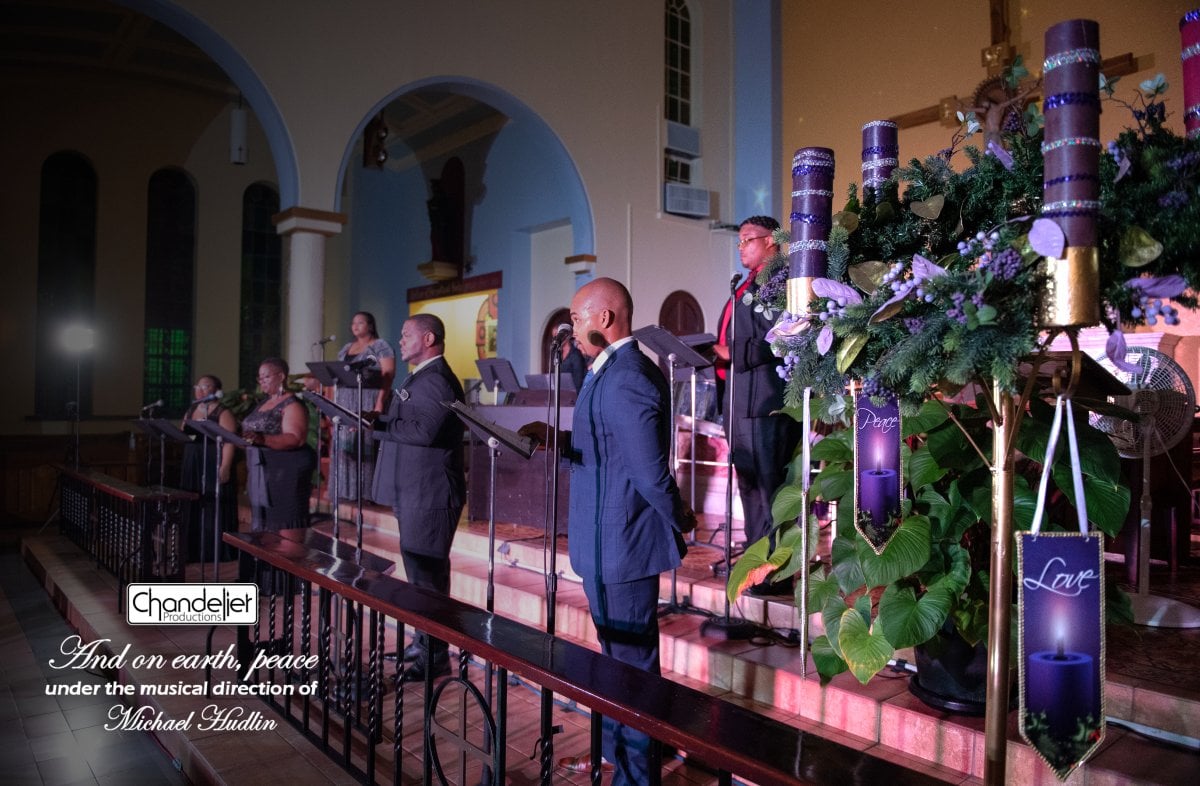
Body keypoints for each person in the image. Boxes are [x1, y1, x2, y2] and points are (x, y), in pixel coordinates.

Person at [522, 278, 695, 784]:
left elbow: (648, 472)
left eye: (577, 318)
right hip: (603, 541)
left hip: (624, 543)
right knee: (616, 663)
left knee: (633, 669)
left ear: (605, 318)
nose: (571, 327)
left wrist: (680, 518)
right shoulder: (608, 370)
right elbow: (605, 445)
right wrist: (555, 438)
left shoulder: (630, 376)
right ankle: (616, 756)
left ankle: (637, 776)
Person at [371, 313, 466, 682]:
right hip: (414, 490)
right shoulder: (421, 376)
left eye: (406, 334)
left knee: (428, 582)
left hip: (430, 493)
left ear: (428, 339)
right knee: (419, 578)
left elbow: (425, 432)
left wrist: (379, 424)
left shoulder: (437, 379)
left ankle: (435, 657)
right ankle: (423, 642)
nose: (399, 340)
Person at [712, 216, 801, 596]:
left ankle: (776, 576)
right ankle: (755, 570)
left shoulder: (782, 282)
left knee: (771, 492)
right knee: (749, 490)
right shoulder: (743, 285)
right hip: (739, 401)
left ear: (771, 241)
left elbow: (784, 335)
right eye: (739, 241)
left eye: (747, 239)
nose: (741, 247)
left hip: (767, 404)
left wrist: (732, 352)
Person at [331, 311, 395, 503]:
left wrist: (379, 403)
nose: (355, 326)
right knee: (344, 444)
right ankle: (344, 491)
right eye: (353, 323)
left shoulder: (380, 346)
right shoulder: (346, 348)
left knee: (365, 444)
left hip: (367, 399)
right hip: (344, 400)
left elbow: (388, 375)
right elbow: (337, 376)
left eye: (360, 322)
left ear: (370, 325)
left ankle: (367, 493)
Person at [179, 374, 238, 562]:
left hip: (213, 460)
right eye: (198, 386)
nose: (200, 390)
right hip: (193, 460)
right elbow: (183, 432)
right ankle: (193, 549)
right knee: (193, 501)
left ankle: (215, 550)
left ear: (216, 390)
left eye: (205, 386)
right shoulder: (192, 409)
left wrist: (225, 466)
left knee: (214, 504)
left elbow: (229, 441)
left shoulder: (222, 411)